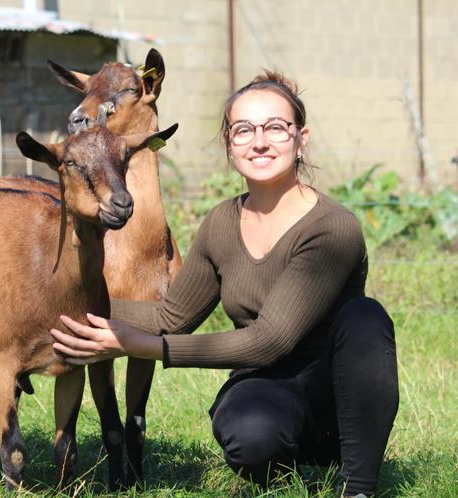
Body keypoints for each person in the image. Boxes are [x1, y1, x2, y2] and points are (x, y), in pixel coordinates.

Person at [49, 71, 399, 498]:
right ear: (229, 143)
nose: (260, 142)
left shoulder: (333, 228)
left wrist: (140, 346)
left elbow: (271, 340)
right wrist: (69, 306)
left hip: (336, 397)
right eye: (244, 130)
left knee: (366, 318)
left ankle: (358, 485)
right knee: (246, 431)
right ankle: (282, 465)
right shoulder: (221, 222)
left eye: (276, 128)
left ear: (300, 138)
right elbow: (171, 316)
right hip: (269, 392)